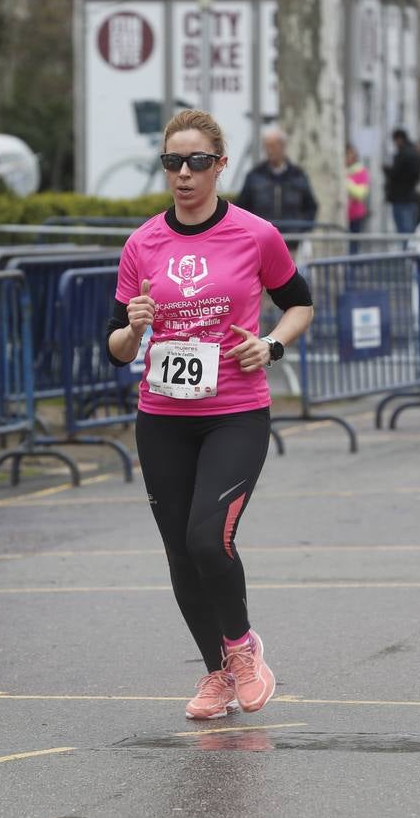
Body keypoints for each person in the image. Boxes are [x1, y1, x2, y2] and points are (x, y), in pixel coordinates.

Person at [105, 109, 315, 720]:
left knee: (208, 536)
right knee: (178, 550)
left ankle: (244, 646)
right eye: (174, 162)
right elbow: (116, 346)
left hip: (235, 411)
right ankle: (217, 674)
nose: (185, 174)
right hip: (162, 414)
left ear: (220, 165)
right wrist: (133, 328)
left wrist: (272, 344)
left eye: (198, 161)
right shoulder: (143, 243)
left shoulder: (256, 234)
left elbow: (299, 304)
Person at [234, 125, 318, 234]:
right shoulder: (254, 176)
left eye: (273, 146)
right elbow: (242, 207)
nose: (269, 151)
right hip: (262, 240)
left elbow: (311, 207)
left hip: (292, 242)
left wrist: (300, 229)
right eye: (266, 147)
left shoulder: (298, 175)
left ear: (283, 146)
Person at [384, 128, 420, 233]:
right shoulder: (415, 153)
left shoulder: (403, 154)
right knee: (410, 231)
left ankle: (407, 250)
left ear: (399, 139)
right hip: (411, 198)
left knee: (405, 232)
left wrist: (387, 170)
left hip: (401, 198)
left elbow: (396, 174)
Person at [346, 143, 370, 252]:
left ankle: (352, 268)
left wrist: (348, 184)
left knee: (353, 244)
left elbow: (361, 193)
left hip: (355, 214)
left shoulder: (361, 171)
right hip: (344, 214)